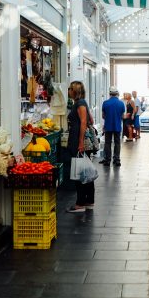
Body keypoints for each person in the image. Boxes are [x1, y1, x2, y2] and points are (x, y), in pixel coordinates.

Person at [66, 80, 94, 213]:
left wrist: (80, 142)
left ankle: (80, 203)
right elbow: (91, 120)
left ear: (75, 91)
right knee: (85, 171)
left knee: (80, 171)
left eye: (70, 89)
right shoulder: (82, 103)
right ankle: (89, 201)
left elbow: (84, 123)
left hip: (78, 141)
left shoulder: (80, 103)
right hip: (78, 140)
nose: (68, 91)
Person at [101, 86, 125, 166]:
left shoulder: (105, 103)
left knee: (108, 143)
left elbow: (103, 116)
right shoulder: (121, 103)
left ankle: (107, 160)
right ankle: (117, 160)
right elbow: (122, 116)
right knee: (117, 143)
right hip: (117, 126)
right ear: (117, 93)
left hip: (108, 126)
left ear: (110, 93)